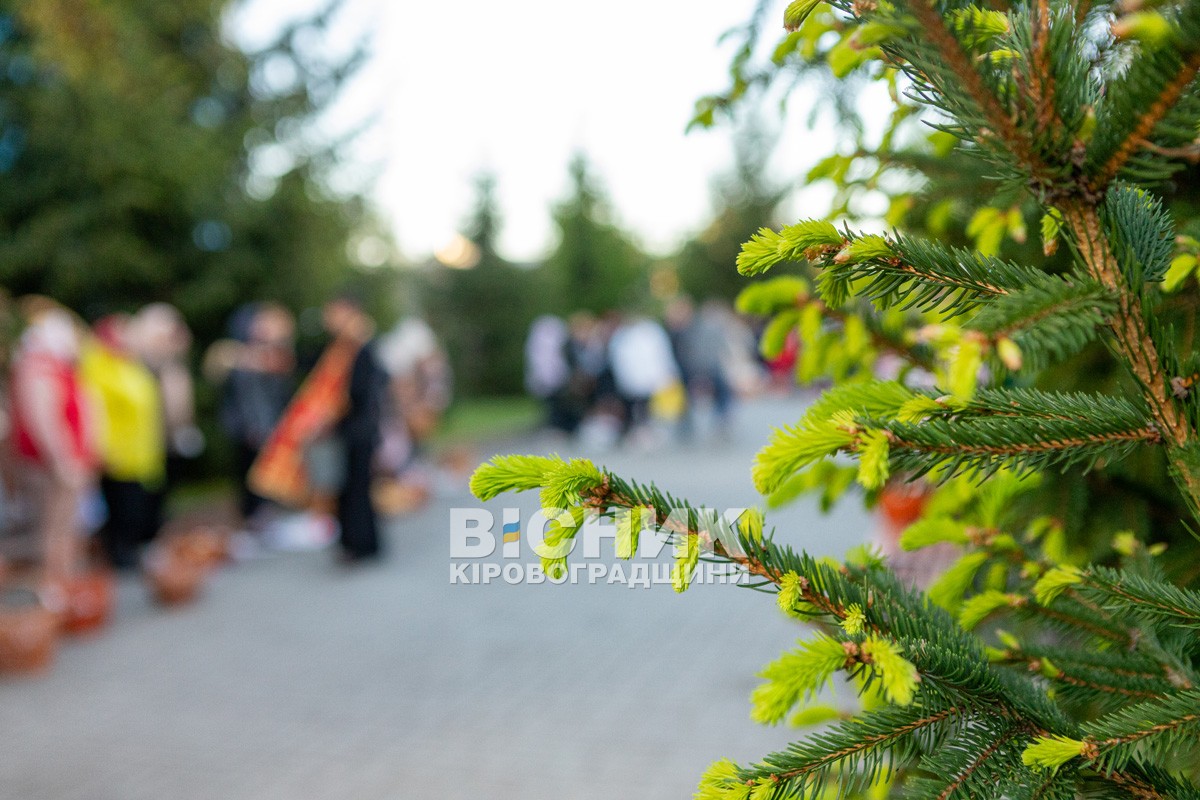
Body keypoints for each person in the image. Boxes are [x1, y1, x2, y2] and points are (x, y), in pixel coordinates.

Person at [8, 301, 97, 583]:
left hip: (66, 459)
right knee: (54, 526)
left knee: (67, 525)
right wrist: (62, 460)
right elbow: (44, 420)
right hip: (50, 463)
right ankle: (53, 589)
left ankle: (63, 586)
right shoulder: (38, 367)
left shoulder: (56, 367)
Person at [79, 315, 165, 569]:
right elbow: (94, 411)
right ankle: (118, 557)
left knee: (138, 508)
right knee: (120, 511)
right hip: (117, 452)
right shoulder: (97, 366)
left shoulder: (130, 364)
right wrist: (101, 447)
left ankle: (132, 552)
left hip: (140, 452)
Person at [215, 303, 297, 526]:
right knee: (248, 475)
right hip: (247, 427)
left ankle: (264, 515)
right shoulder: (236, 352)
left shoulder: (276, 355)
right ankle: (251, 518)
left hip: (269, 425)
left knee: (266, 473)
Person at [322, 294, 387, 563]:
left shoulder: (357, 347)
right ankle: (361, 544)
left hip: (357, 429)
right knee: (353, 489)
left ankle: (359, 545)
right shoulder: (346, 347)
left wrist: (331, 414)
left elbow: (356, 392)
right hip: (356, 428)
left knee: (355, 489)